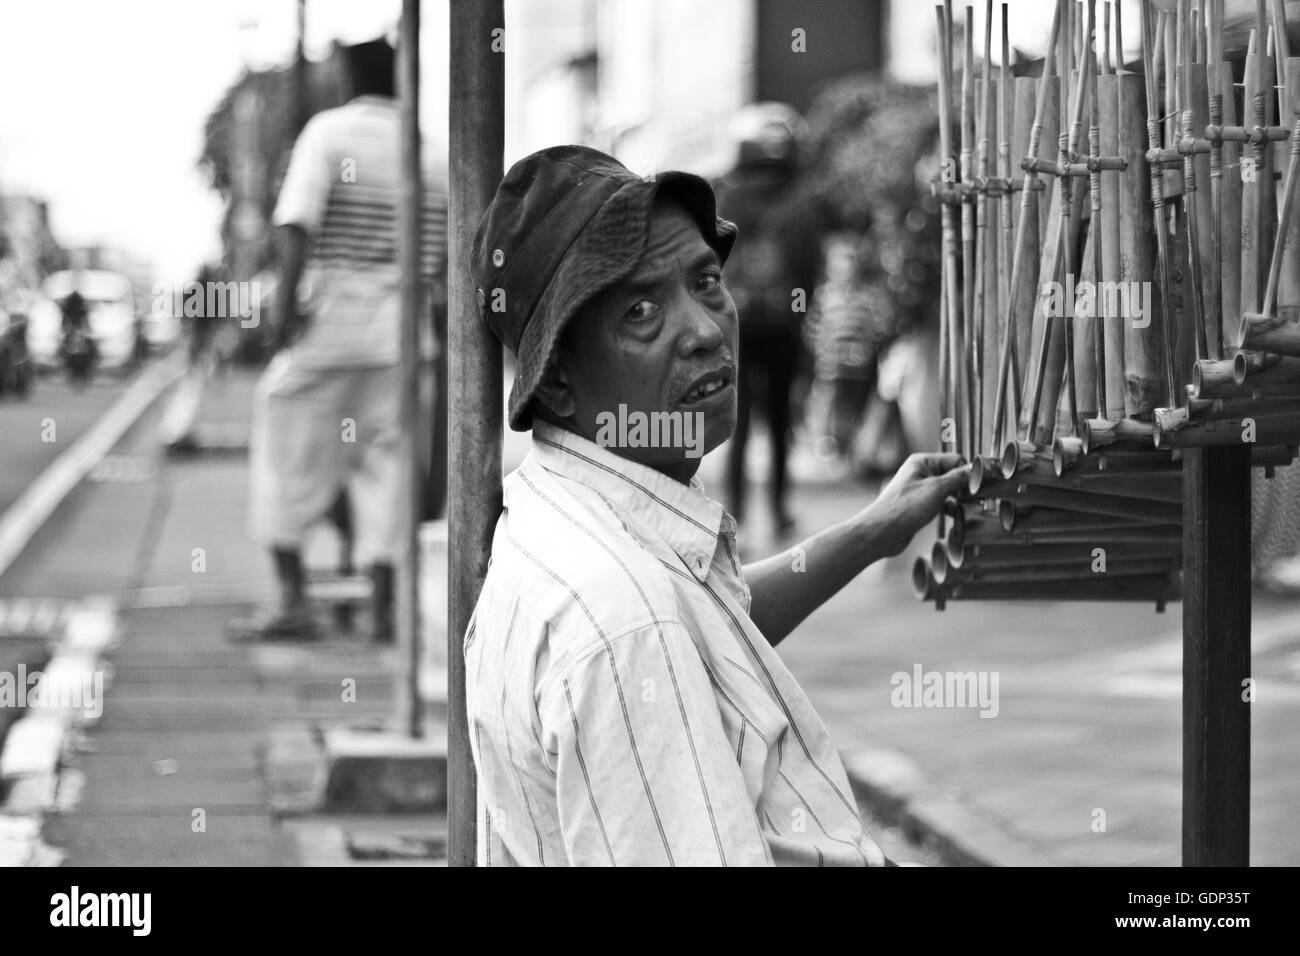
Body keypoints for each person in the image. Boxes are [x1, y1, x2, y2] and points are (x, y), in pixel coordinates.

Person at [465, 145, 967, 866]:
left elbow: (715, 621)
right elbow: (654, 633)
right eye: (641, 311)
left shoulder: (573, 505)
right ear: (560, 381)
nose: (703, 329)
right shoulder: (626, 621)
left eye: (704, 281)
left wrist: (873, 532)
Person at [231, 37, 447, 644]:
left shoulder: (329, 135)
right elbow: (452, 252)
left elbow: (297, 223)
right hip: (404, 341)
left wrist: (282, 318)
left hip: (330, 331)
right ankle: (382, 607)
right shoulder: (432, 149)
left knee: (283, 446)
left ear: (349, 74)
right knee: (390, 467)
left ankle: (294, 597)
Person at [716, 102, 821, 537]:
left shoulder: (727, 198)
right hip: (783, 327)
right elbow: (812, 268)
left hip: (736, 327)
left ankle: (734, 511)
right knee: (780, 423)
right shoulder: (802, 203)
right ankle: (779, 511)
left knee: (735, 423)